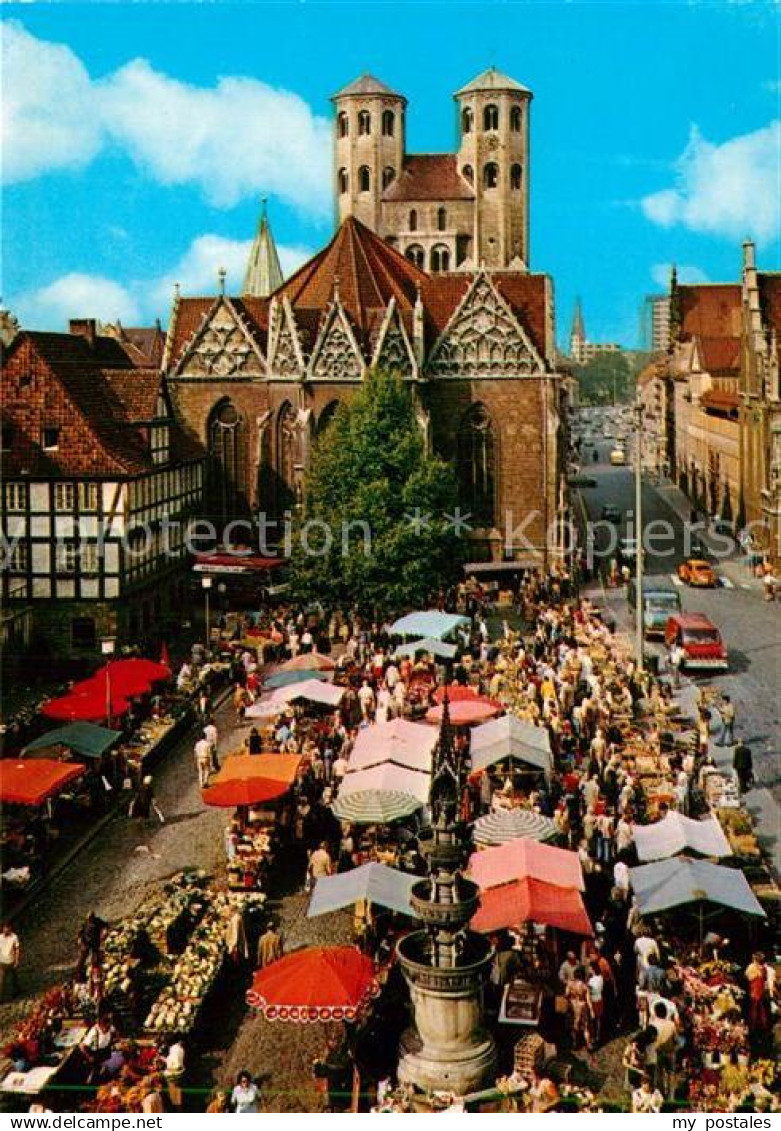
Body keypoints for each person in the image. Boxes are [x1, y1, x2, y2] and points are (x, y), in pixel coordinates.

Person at [745, 952, 774, 1034]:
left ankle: (755, 1027)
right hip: (758, 991)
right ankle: (761, 1027)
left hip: (756, 991)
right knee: (760, 1009)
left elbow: (749, 978)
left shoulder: (755, 967)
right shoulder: (761, 968)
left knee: (756, 1009)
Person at [76, 912, 107, 981]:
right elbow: (80, 932)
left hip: (95, 943)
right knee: (82, 959)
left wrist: (105, 931)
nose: (90, 920)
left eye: (91, 919)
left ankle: (94, 975)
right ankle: (79, 975)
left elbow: (105, 925)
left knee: (95, 959)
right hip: (86, 943)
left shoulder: (98, 921)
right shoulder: (85, 923)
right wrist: (79, 938)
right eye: (89, 919)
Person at [162, 1036, 185, 1109]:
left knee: (175, 1097)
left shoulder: (174, 1050)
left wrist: (168, 1071)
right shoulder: (178, 1048)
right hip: (177, 1075)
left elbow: (176, 1065)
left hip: (173, 1076)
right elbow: (173, 1062)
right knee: (177, 1095)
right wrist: (163, 1059)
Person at [0, 923, 20, 1000]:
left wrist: (17, 960)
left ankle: (16, 990)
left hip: (11, 961)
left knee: (13, 977)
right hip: (2, 962)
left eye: (7, 928)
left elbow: (17, 949)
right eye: (5, 928)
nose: (6, 930)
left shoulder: (14, 937)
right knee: (1, 981)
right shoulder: (0, 938)